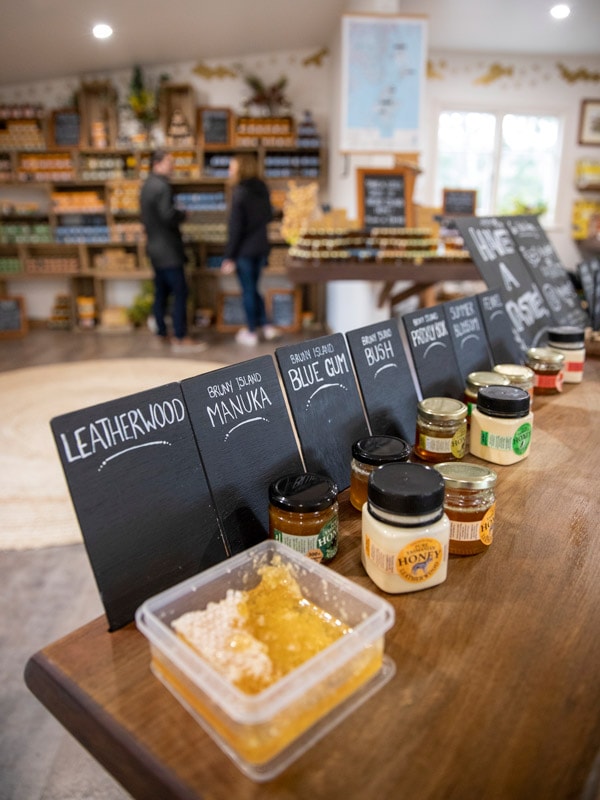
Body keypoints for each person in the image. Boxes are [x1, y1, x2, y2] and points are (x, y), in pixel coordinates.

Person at [140, 149, 204, 351]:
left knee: (161, 292)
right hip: (169, 250)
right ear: (157, 164)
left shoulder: (147, 185)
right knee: (180, 292)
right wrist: (183, 214)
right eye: (169, 162)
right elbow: (167, 215)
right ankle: (180, 336)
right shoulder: (163, 186)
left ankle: (161, 331)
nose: (173, 166)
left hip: (154, 248)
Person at [221, 154, 280, 345]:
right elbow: (269, 215)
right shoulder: (262, 189)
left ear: (241, 169)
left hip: (244, 250)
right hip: (261, 247)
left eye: (232, 167)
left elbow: (236, 228)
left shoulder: (239, 192)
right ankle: (267, 325)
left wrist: (229, 256)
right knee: (254, 288)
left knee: (247, 290)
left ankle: (252, 331)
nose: (229, 170)